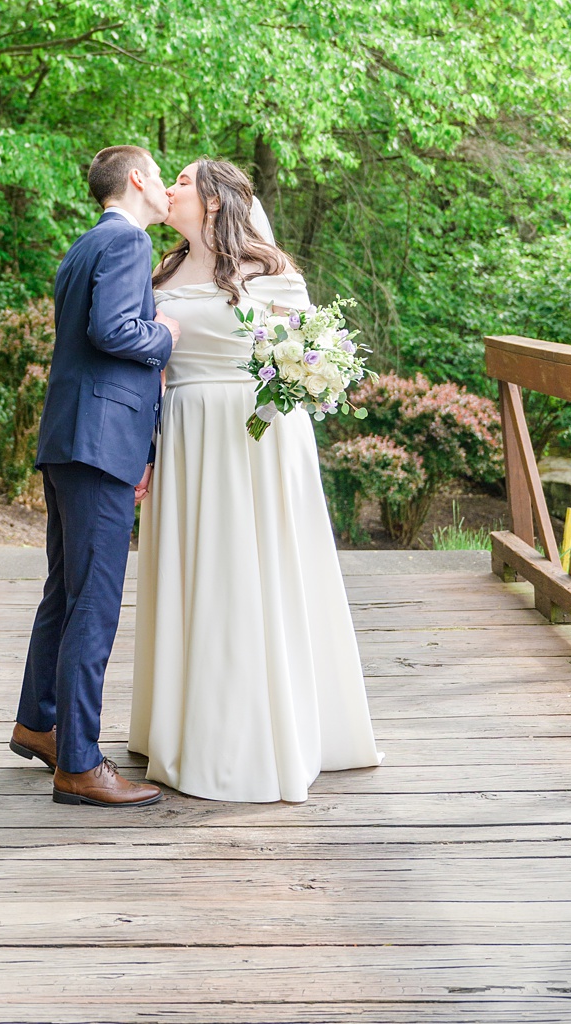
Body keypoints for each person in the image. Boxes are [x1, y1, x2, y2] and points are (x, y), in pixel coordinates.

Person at [128, 158, 381, 801]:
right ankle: (182, 723)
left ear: (214, 200)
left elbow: (299, 360)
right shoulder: (159, 271)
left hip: (254, 441)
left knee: (249, 571)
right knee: (196, 573)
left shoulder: (269, 273)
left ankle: (261, 732)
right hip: (184, 434)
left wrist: (279, 405)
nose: (171, 189)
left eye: (182, 181)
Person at [9, 144, 176, 807]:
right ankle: (78, 764)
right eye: (160, 178)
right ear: (136, 180)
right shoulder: (129, 244)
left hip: (72, 439)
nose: (166, 189)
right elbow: (114, 332)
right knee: (95, 604)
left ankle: (41, 721)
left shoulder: (84, 246)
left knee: (66, 590)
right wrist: (166, 334)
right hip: (97, 445)